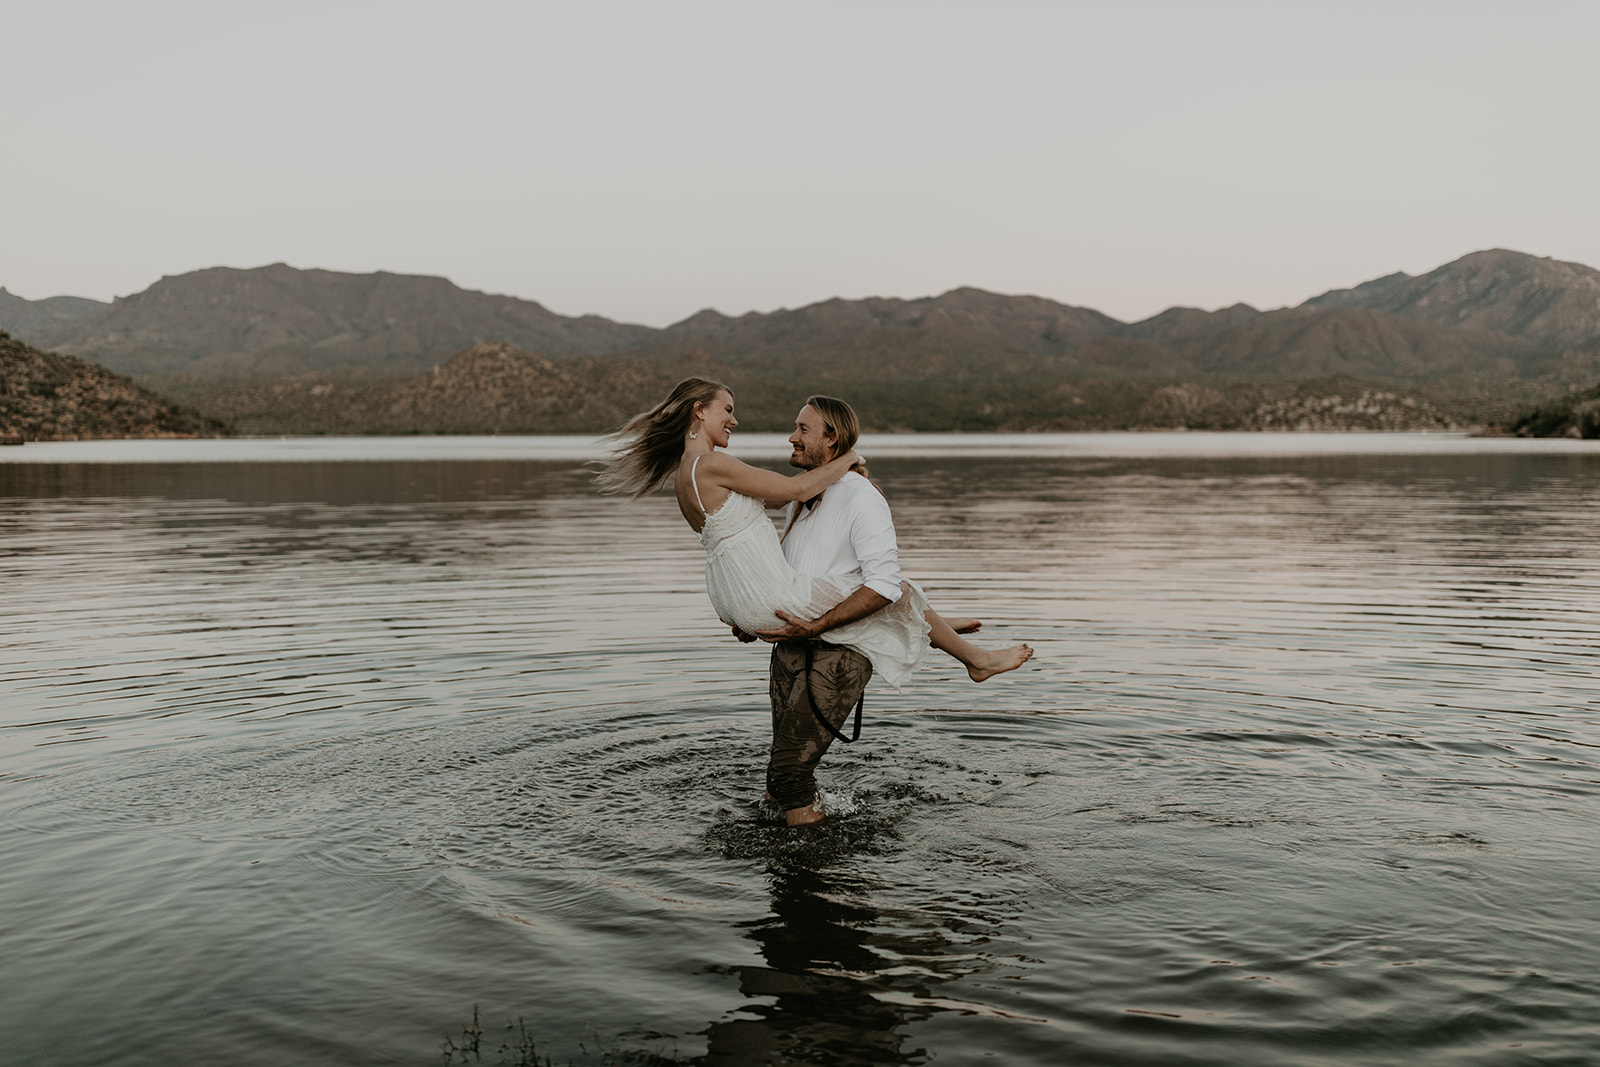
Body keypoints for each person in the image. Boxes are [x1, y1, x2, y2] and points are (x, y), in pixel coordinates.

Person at [600, 378, 1032, 825]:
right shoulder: (714, 465)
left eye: (802, 429)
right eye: (726, 408)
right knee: (899, 592)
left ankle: (928, 628)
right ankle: (947, 641)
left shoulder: (687, 475)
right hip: (773, 607)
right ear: (698, 411)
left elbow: (756, 549)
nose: (735, 418)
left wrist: (746, 610)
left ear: (830, 435)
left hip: (746, 603)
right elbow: (795, 491)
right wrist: (850, 459)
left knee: (783, 776)